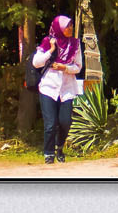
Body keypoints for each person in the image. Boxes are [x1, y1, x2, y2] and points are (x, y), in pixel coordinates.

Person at [32, 15, 83, 164]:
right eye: (67, 26)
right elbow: (36, 63)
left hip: (67, 88)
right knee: (50, 123)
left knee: (65, 121)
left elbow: (78, 67)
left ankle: (59, 147)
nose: (70, 29)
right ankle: (48, 154)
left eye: (71, 26)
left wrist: (65, 68)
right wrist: (51, 50)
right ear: (59, 28)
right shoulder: (48, 42)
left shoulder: (75, 44)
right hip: (49, 87)